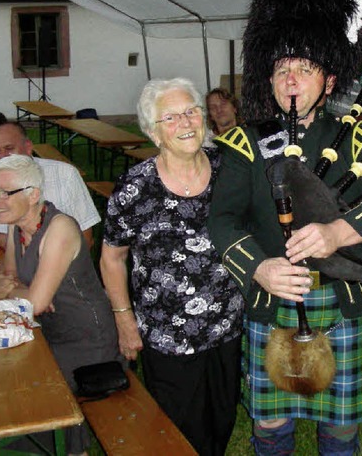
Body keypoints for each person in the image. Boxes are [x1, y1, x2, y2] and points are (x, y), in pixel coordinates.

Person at [208, 0, 362, 454]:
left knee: (340, 433)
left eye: (305, 68)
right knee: (271, 430)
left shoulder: (361, 139)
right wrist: (258, 268)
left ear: (328, 81)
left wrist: (337, 233)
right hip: (271, 301)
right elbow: (223, 219)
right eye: (282, 68)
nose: (291, 79)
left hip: (342, 302)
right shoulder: (243, 144)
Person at [100, 78, 243, 456]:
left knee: (222, 416)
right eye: (170, 117)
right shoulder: (136, 187)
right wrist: (124, 319)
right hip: (167, 334)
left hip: (227, 323)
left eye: (191, 111)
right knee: (179, 427)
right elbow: (112, 257)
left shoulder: (230, 170)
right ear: (153, 132)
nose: (185, 122)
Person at [0, 154, 120, 456]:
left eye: (3, 193)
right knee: (11, 380)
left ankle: (72, 451)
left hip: (86, 341)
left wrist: (28, 294)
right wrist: (25, 293)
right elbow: (8, 278)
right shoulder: (16, 224)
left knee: (39, 394)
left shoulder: (59, 228)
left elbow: (33, 302)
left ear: (33, 194)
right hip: (49, 331)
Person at [0, 122, 100, 249]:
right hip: (8, 267)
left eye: (9, 148)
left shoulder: (65, 175)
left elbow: (86, 237)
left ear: (28, 147)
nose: (3, 157)